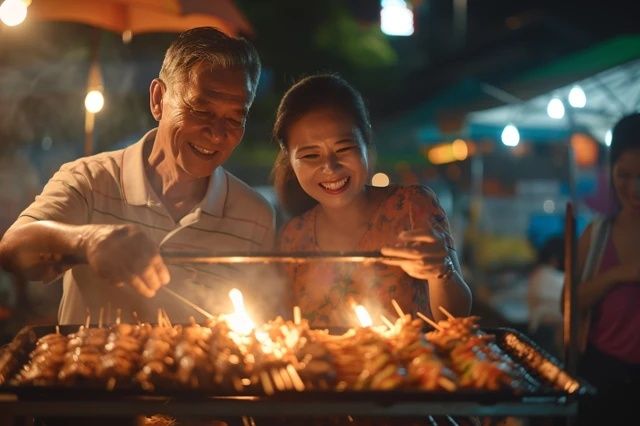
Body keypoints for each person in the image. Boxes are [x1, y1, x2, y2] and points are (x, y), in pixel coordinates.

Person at [0, 27, 275, 325]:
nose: (217, 133)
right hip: (88, 369)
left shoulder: (255, 216)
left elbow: (256, 317)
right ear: (158, 99)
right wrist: (87, 240)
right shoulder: (90, 179)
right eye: (200, 109)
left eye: (235, 118)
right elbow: (13, 248)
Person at [272, 74, 471, 328]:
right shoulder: (292, 237)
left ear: (367, 144)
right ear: (290, 161)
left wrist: (441, 272)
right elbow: (287, 326)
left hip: (411, 366)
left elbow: (457, 319)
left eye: (343, 148)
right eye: (311, 155)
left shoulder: (411, 207)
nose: (330, 167)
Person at [573, 113, 640, 424]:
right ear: (611, 170)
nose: (635, 189)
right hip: (602, 377)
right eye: (624, 175)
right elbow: (569, 303)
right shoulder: (597, 234)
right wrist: (618, 275)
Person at [527, 235, 564, 358]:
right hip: (548, 336)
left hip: (539, 333)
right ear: (554, 259)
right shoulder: (550, 276)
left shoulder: (539, 274)